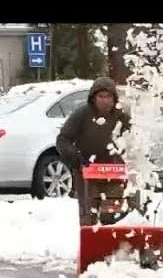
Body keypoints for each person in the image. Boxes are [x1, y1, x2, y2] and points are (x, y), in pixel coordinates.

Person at [56, 77, 132, 224]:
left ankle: (111, 245)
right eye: (101, 96)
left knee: (110, 216)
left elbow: (133, 140)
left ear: (114, 98)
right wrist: (76, 158)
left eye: (108, 96)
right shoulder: (82, 114)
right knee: (88, 217)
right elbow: (63, 140)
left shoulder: (121, 117)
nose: (105, 100)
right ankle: (90, 243)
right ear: (94, 98)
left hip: (114, 175)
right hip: (87, 174)